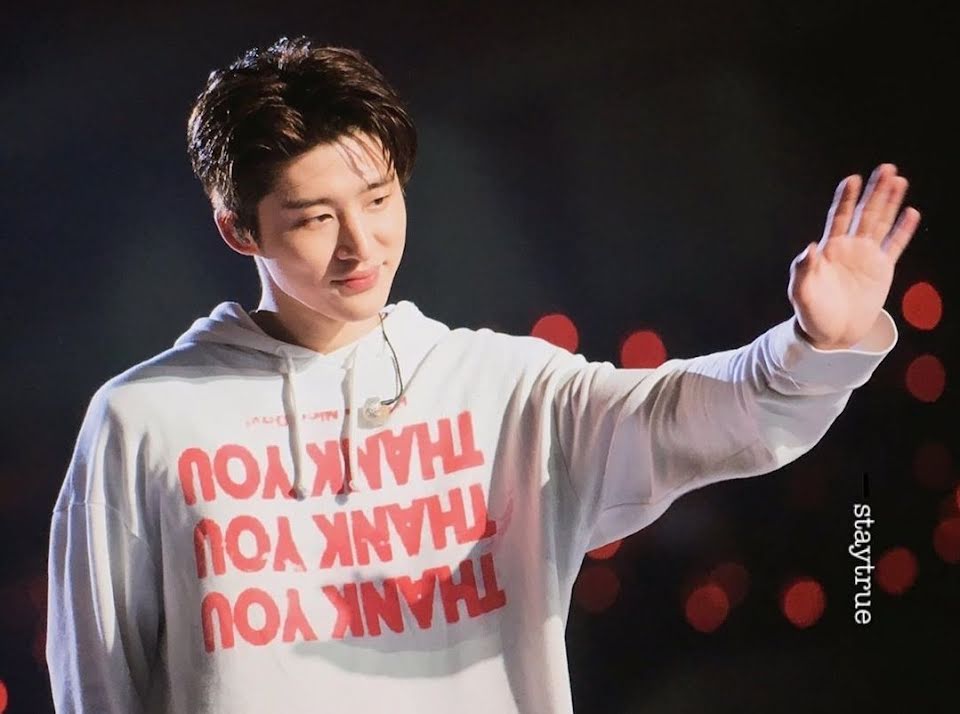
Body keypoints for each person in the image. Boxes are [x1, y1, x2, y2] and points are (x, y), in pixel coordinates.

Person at [45, 34, 920, 714]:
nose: (362, 246)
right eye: (315, 218)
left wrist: (810, 346)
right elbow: (97, 681)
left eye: (379, 199)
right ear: (239, 229)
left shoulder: (504, 387)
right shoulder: (146, 420)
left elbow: (697, 414)